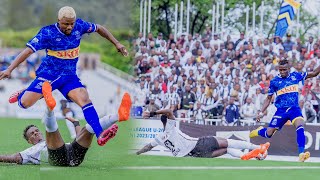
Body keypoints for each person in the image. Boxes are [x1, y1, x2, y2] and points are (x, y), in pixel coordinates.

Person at [0, 6, 128, 146]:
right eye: (66, 24)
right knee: (25, 103)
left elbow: (99, 28)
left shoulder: (80, 25)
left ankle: (100, 134)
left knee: (84, 98)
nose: (70, 27)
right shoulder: (47, 32)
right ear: (59, 20)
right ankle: (23, 93)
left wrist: (117, 43)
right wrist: (9, 69)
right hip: (49, 75)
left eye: (71, 23)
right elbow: (28, 51)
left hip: (69, 77)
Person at [0, 90, 132, 166]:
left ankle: (118, 115)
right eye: (32, 134)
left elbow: (78, 138)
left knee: (88, 128)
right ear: (29, 141)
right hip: (57, 158)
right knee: (52, 132)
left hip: (75, 156)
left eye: (36, 131)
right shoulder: (29, 151)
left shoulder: (48, 142)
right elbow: (13, 158)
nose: (36, 134)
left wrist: (76, 124)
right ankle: (50, 107)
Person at [250, 59, 320, 162]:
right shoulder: (274, 81)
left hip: (294, 109)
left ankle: (301, 154)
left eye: (284, 70)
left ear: (289, 69)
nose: (282, 72)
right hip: (281, 111)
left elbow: (314, 73)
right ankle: (259, 131)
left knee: (300, 125)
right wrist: (261, 112)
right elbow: (269, 98)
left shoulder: (295, 76)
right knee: (269, 133)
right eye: (280, 70)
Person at [136, 109, 270, 160]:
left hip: (195, 155)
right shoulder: (170, 128)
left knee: (227, 150)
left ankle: (248, 156)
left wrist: (137, 153)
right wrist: (153, 113)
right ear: (168, 121)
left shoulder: (159, 138)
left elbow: (148, 147)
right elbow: (169, 111)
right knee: (227, 142)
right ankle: (257, 147)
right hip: (199, 144)